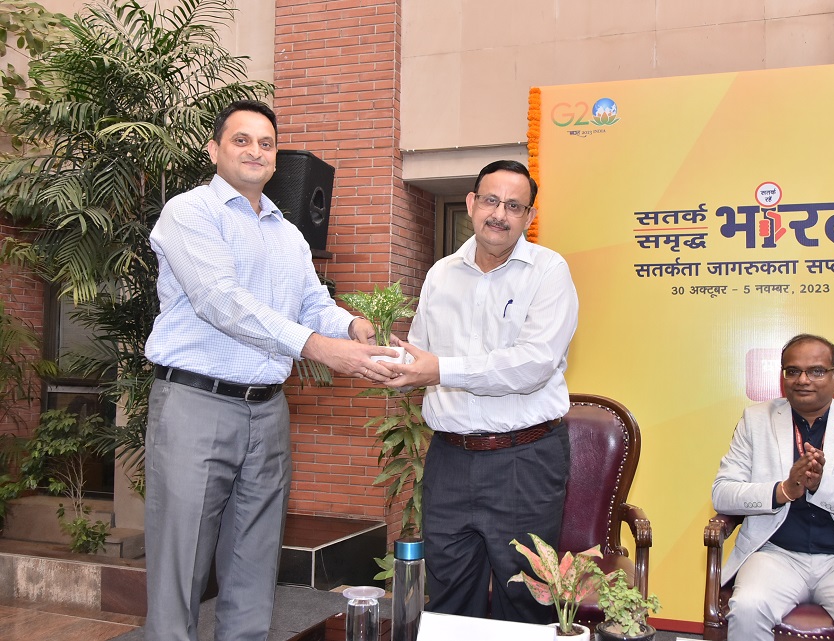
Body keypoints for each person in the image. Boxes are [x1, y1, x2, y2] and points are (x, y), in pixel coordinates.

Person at [143, 99, 397, 641]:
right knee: (180, 567)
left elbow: (312, 304)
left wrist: (352, 326)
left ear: (276, 158)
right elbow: (221, 301)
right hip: (196, 405)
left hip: (268, 412)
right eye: (241, 140)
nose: (254, 151)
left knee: (255, 564)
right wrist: (317, 348)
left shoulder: (288, 233)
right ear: (213, 150)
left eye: (266, 143)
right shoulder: (190, 212)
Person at [382, 159, 579, 623]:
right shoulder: (441, 274)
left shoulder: (549, 271)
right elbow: (422, 355)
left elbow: (533, 365)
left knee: (525, 600)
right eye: (491, 200)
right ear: (471, 203)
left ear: (529, 216)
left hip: (524, 460)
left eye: (514, 206)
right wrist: (384, 358)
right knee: (449, 598)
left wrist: (440, 369)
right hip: (449, 458)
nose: (500, 214)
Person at [712, 333, 834, 641]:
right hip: (775, 554)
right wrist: (783, 491)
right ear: (782, 375)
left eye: (816, 371)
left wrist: (823, 486)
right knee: (748, 608)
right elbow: (722, 493)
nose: (803, 380)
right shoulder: (756, 420)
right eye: (793, 371)